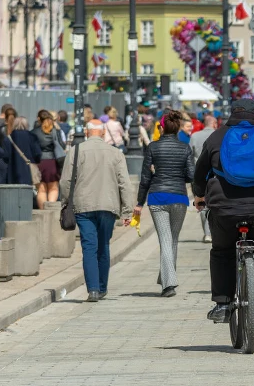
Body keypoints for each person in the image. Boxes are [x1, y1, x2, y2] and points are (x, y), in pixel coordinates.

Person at [193, 98, 254, 319]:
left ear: (231, 112)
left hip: (225, 206)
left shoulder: (217, 136)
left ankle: (223, 305)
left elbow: (201, 173)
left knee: (222, 251)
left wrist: (199, 195)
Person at [60, 121, 132, 301]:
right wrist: (127, 211)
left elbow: (65, 181)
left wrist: (66, 202)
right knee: (104, 245)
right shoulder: (116, 153)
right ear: (102, 134)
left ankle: (92, 289)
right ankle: (102, 287)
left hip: (83, 205)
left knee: (89, 247)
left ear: (86, 132)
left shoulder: (76, 151)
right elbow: (124, 183)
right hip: (108, 204)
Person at [133, 110, 194, 297]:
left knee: (165, 240)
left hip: (157, 197)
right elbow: (191, 176)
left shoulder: (152, 148)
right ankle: (168, 278)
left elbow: (145, 178)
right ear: (178, 129)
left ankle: (168, 283)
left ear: (161, 128)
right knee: (172, 239)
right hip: (179, 198)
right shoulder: (185, 148)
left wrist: (139, 203)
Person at [189, 114, 220, 244]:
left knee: (202, 202)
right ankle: (215, 231)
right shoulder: (219, 135)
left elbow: (189, 156)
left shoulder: (194, 136)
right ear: (214, 124)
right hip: (216, 174)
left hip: (198, 174)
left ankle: (207, 234)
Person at [31, 109, 63, 207]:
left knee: (41, 189)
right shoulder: (55, 131)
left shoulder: (34, 132)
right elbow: (62, 145)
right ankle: (51, 210)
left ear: (39, 119)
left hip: (38, 162)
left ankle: (43, 212)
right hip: (52, 162)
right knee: (53, 188)